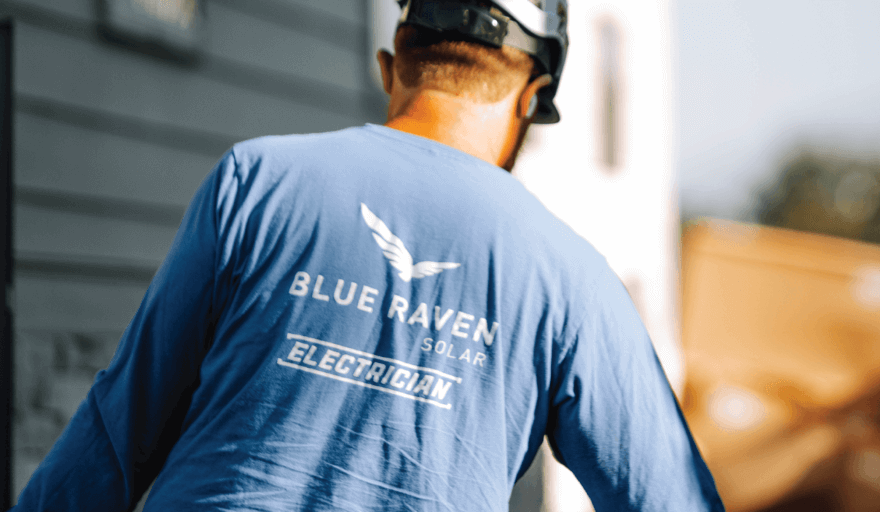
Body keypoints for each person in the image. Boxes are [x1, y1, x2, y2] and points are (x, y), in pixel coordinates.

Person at [12, 0, 723, 510]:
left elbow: (115, 433)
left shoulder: (255, 181)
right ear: (531, 97)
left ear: (391, 67)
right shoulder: (571, 278)